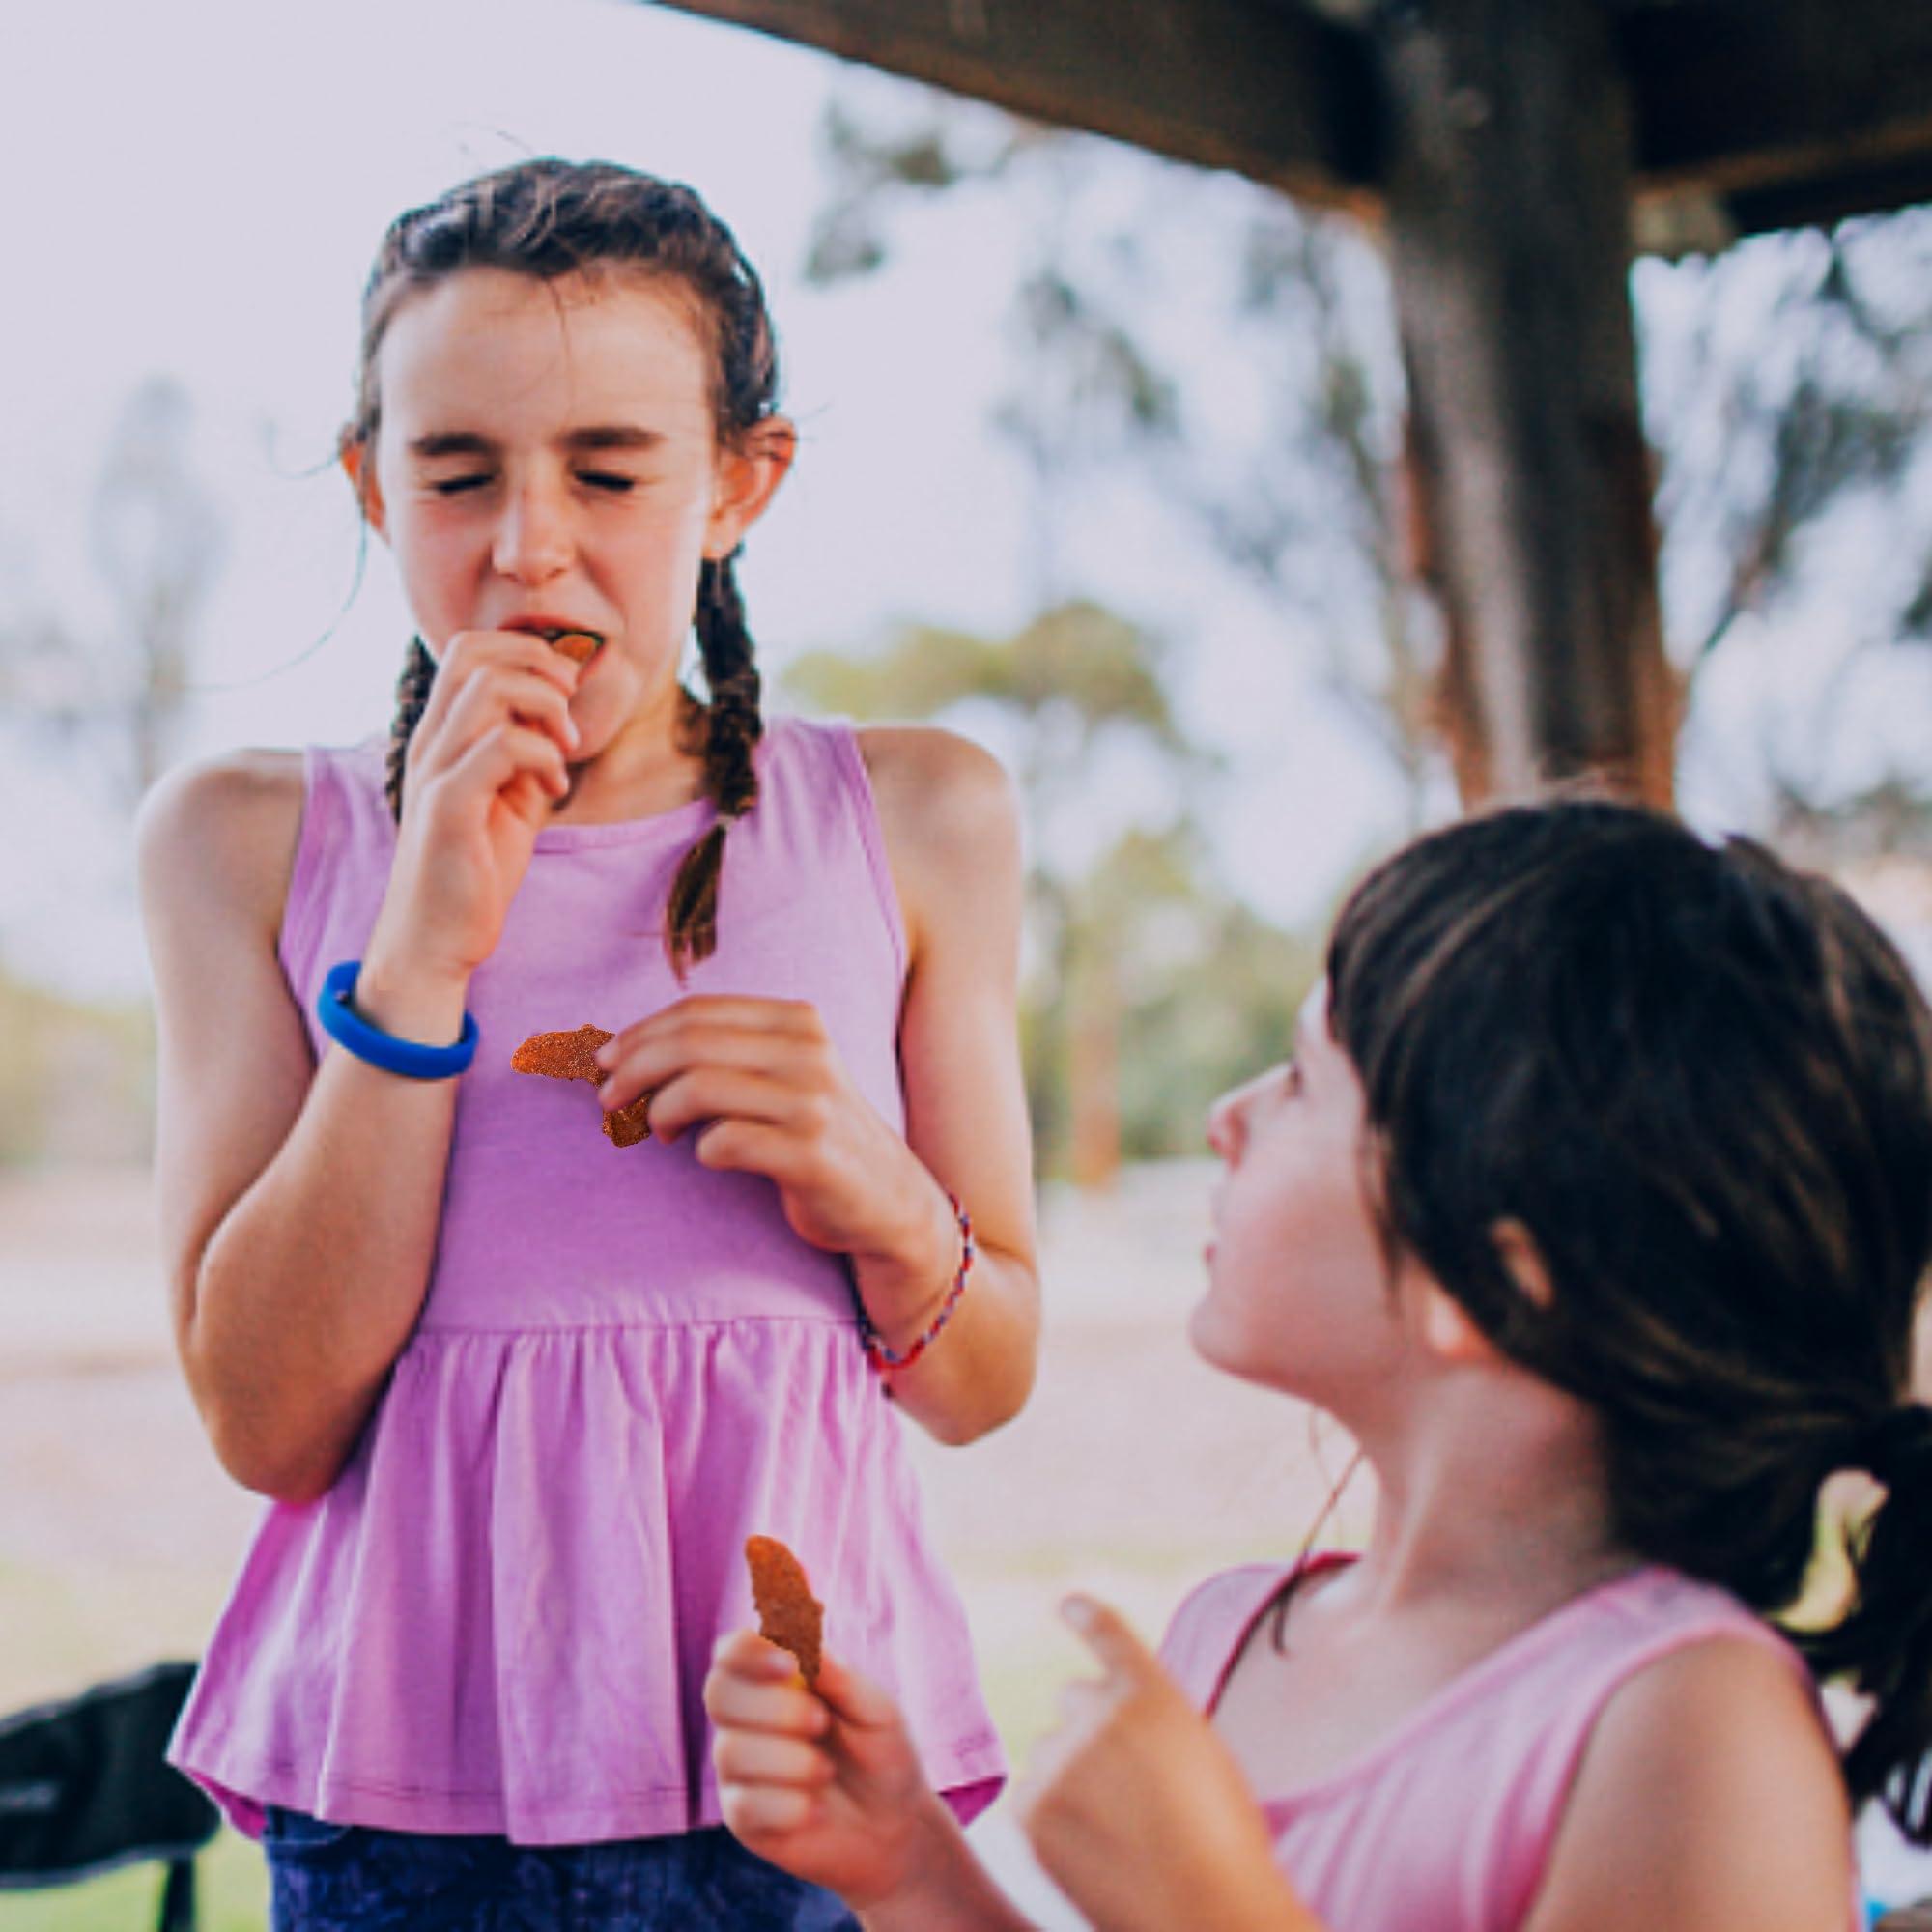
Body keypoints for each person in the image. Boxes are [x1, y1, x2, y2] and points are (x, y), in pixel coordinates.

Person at [136, 156, 1038, 1930]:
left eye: (611, 472)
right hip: (403, 1791)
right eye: (453, 474)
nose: (528, 545)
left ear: (738, 483)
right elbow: (266, 1422)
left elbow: (978, 1382)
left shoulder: (919, 814)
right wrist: (422, 948)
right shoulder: (242, 840)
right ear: (369, 489)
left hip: (795, 1766)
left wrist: (879, 1187)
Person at [706, 798, 1932, 1932]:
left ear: (1489, 1282)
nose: (1223, 1115)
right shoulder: (1231, 1632)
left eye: (1302, 1077)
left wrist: (1212, 1906)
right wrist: (914, 1867)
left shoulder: (1690, 1733)